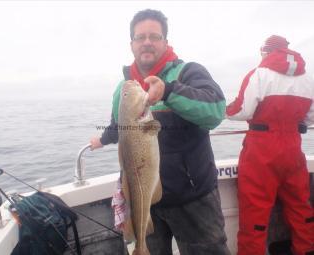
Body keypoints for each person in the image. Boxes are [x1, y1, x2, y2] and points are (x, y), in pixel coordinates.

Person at [89, 9, 230, 255]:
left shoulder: (189, 72)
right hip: (142, 197)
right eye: (140, 37)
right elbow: (119, 126)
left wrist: (168, 92)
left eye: (154, 36)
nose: (146, 42)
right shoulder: (124, 88)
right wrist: (101, 139)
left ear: (166, 42)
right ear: (131, 44)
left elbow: (215, 111)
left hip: (194, 199)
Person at [226, 35, 314, 255]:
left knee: (255, 211)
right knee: (299, 205)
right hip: (293, 148)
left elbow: (241, 111)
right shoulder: (308, 79)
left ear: (266, 51)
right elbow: (311, 117)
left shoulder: (259, 74)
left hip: (262, 150)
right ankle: (306, 249)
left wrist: (224, 109)